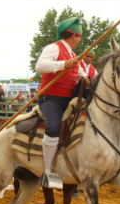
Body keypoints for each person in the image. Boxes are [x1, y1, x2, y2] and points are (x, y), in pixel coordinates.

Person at [35, 17, 89, 189]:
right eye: (79, 37)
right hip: (51, 98)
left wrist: (87, 79)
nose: (79, 40)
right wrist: (63, 64)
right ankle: (48, 171)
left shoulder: (74, 56)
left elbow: (81, 74)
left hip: (69, 100)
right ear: (73, 36)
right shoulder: (53, 48)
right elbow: (40, 66)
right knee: (53, 128)